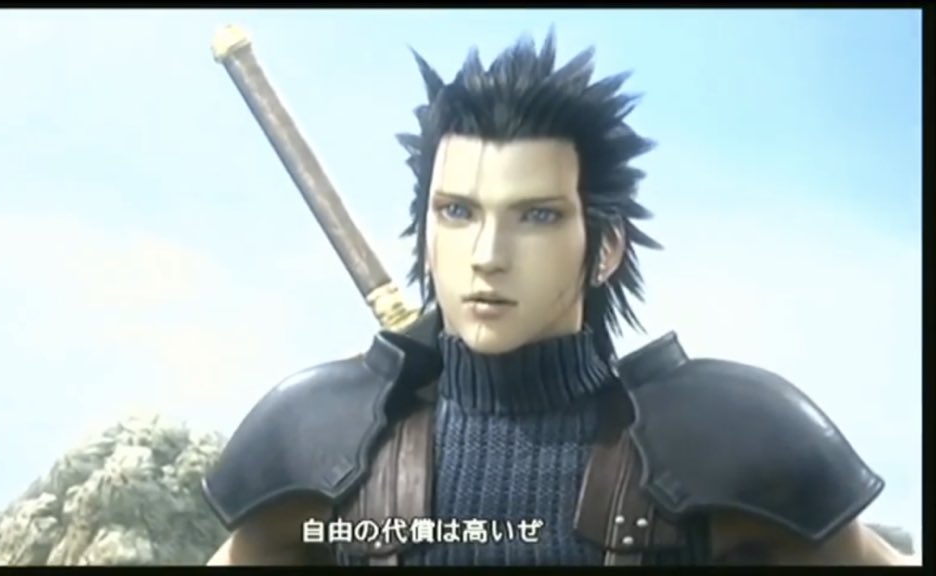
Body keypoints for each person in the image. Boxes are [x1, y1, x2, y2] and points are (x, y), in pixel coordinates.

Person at [200, 33, 908, 566]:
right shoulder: (331, 440)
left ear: (606, 248)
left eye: (536, 215)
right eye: (457, 212)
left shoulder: (724, 438)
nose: (488, 253)